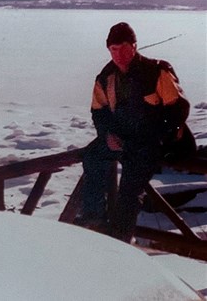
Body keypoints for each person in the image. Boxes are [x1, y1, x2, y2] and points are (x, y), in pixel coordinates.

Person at [78, 22, 195, 243]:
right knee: (92, 157)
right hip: (123, 137)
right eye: (114, 49)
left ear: (134, 46)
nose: (119, 54)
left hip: (157, 141)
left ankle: (119, 242)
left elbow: (179, 109)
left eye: (124, 48)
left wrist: (154, 137)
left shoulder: (156, 70)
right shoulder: (106, 77)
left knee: (129, 188)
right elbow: (99, 112)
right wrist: (107, 135)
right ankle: (94, 220)